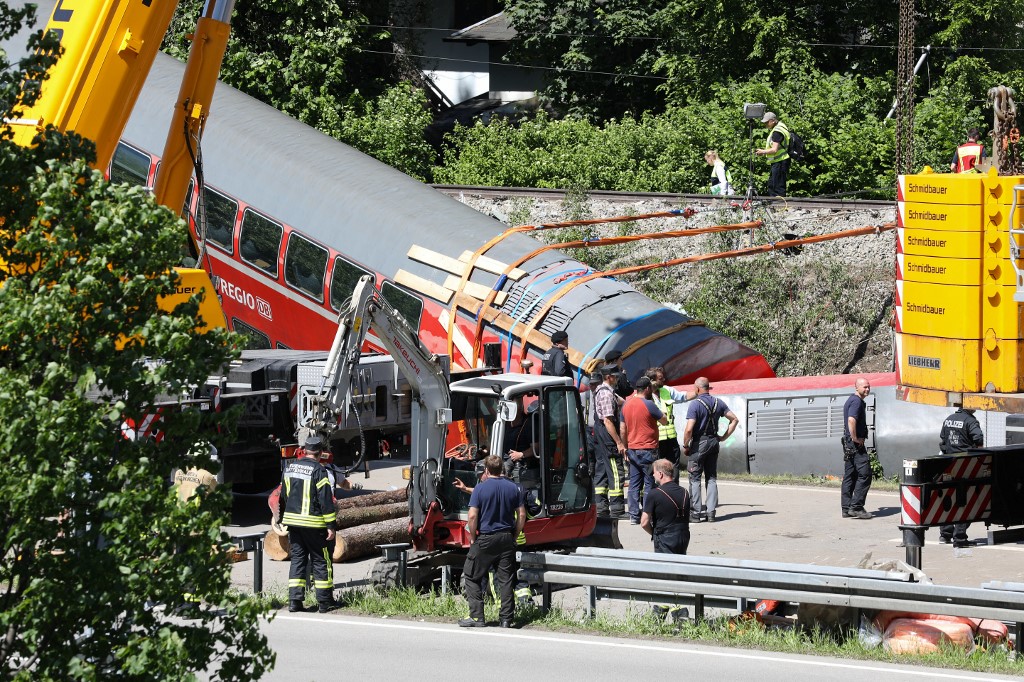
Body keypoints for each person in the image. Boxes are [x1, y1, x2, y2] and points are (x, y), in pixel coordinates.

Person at [459, 454, 526, 628]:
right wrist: (515, 534)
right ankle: (506, 619)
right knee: (505, 579)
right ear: (501, 469)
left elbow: (472, 516)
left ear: (487, 470)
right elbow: (522, 514)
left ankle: (476, 617)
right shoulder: (513, 488)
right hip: (506, 538)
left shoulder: (481, 488)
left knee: (471, 574)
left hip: (487, 537)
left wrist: (473, 537)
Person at [278, 434, 338, 613]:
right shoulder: (319, 471)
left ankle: (294, 602)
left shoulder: (289, 468)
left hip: (294, 524)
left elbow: (284, 495)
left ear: (304, 451)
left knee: (298, 560)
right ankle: (325, 602)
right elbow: (325, 500)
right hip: (315, 524)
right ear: (320, 453)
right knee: (321, 561)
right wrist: (330, 525)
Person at [681, 377, 738, 523]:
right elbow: (734, 419)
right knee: (711, 477)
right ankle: (711, 513)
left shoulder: (695, 404)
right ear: (708, 388)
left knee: (694, 477)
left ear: (698, 389)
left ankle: (696, 513)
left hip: (699, 443)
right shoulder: (719, 402)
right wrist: (723, 437)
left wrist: (686, 445)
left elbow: (689, 429)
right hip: (714, 442)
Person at [621, 376, 667, 525]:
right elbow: (664, 420)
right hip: (648, 448)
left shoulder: (626, 405)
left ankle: (633, 516)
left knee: (634, 483)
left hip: (633, 449)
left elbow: (622, 428)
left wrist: (625, 447)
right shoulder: (649, 404)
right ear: (647, 389)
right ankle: (648, 515)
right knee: (649, 483)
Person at [938, 406, 984, 547]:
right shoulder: (970, 421)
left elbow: (943, 440)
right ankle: (960, 538)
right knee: (964, 501)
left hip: (948, 464)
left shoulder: (948, 419)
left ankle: (945, 535)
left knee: (948, 499)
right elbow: (979, 439)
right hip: (965, 465)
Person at [646, 367, 696, 473]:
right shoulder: (645, 394)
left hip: (671, 438)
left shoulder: (667, 390)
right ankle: (660, 489)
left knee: (674, 468)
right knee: (658, 469)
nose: (664, 379)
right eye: (660, 378)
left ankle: (673, 488)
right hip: (656, 440)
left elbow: (683, 396)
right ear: (652, 380)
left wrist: (698, 392)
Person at [593, 365, 627, 518]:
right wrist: (619, 442)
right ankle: (617, 508)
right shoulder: (606, 395)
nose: (618, 378)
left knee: (601, 469)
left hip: (599, 434)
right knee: (615, 470)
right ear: (609, 377)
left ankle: (600, 505)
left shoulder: (602, 391)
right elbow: (608, 421)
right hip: (607, 433)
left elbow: (622, 402)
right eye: (616, 376)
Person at [640, 459, 691, 555]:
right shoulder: (684, 492)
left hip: (665, 538)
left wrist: (654, 534)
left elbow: (644, 522)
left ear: (660, 474)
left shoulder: (654, 493)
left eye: (654, 472)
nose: (653, 475)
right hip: (683, 536)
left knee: (665, 567)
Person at [840, 378, 873, 520]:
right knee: (865, 474)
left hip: (848, 443)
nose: (867, 389)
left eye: (868, 387)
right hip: (854, 443)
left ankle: (846, 508)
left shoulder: (851, 400)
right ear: (857, 387)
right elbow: (851, 420)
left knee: (850, 475)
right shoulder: (856, 401)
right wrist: (855, 438)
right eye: (864, 387)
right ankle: (857, 507)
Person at [503, 395, 539, 485]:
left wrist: (521, 454)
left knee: (503, 469)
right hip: (503, 456)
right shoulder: (505, 423)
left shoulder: (528, 423)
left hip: (521, 462)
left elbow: (536, 447)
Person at [754, 112, 791, 197]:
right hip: (779, 161)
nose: (765, 124)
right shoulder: (780, 127)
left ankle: (780, 206)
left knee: (777, 187)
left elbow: (774, 149)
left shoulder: (777, 132)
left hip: (780, 161)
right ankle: (775, 204)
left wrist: (762, 152)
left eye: (766, 122)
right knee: (772, 185)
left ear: (772, 121)